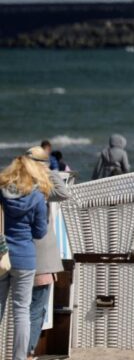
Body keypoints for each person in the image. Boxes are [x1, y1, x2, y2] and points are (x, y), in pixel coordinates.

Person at [0, 148, 52, 360]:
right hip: (25, 257)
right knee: (21, 311)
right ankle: (19, 358)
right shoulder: (38, 197)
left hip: (2, 255)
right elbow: (40, 232)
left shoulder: (2, 191)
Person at [27, 163, 72, 358]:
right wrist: (50, 171)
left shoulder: (10, 192)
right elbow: (64, 192)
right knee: (36, 310)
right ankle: (27, 353)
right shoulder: (41, 194)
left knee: (19, 310)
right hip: (41, 262)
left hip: (16, 261)